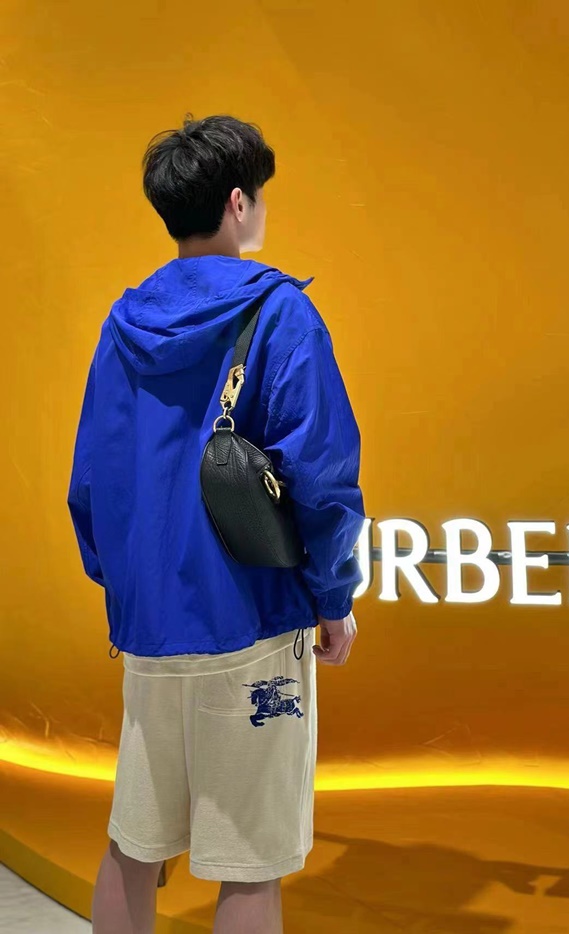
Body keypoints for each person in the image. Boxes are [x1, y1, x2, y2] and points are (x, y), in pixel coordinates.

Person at [67, 113, 366, 934]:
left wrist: (127, 594)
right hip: (252, 621)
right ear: (238, 202)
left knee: (134, 845)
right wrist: (332, 598)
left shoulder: (123, 324)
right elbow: (322, 477)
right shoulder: (281, 312)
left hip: (149, 630)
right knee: (249, 866)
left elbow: (90, 481)